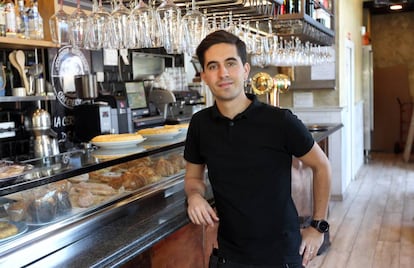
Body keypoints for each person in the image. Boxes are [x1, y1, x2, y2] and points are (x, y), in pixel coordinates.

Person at [184, 30, 332, 268]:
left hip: (281, 255)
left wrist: (318, 227)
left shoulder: (280, 121)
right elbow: (193, 177)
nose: (223, 73)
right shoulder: (200, 124)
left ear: (245, 69)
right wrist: (194, 196)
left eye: (230, 64)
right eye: (213, 66)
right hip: (229, 256)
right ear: (203, 76)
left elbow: (322, 165)